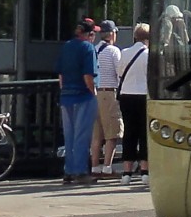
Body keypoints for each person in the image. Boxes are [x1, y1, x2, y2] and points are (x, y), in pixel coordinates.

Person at [57, 18, 100, 186]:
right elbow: (88, 75)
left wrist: (64, 90)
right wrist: (93, 92)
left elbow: (60, 74)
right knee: (82, 136)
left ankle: (69, 171)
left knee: (69, 136)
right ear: (90, 34)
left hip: (66, 95)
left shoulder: (67, 46)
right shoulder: (88, 48)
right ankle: (81, 171)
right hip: (83, 95)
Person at [117, 23, 150, 187]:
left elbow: (120, 72)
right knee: (144, 133)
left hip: (126, 95)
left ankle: (126, 172)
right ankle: (144, 171)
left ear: (135, 36)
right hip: (143, 95)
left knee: (129, 133)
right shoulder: (149, 55)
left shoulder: (125, 53)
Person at [90, 20, 124, 177]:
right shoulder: (113, 51)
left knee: (97, 133)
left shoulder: (94, 50)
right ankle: (107, 167)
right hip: (109, 93)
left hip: (94, 93)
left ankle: (94, 167)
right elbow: (120, 72)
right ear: (111, 34)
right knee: (112, 133)